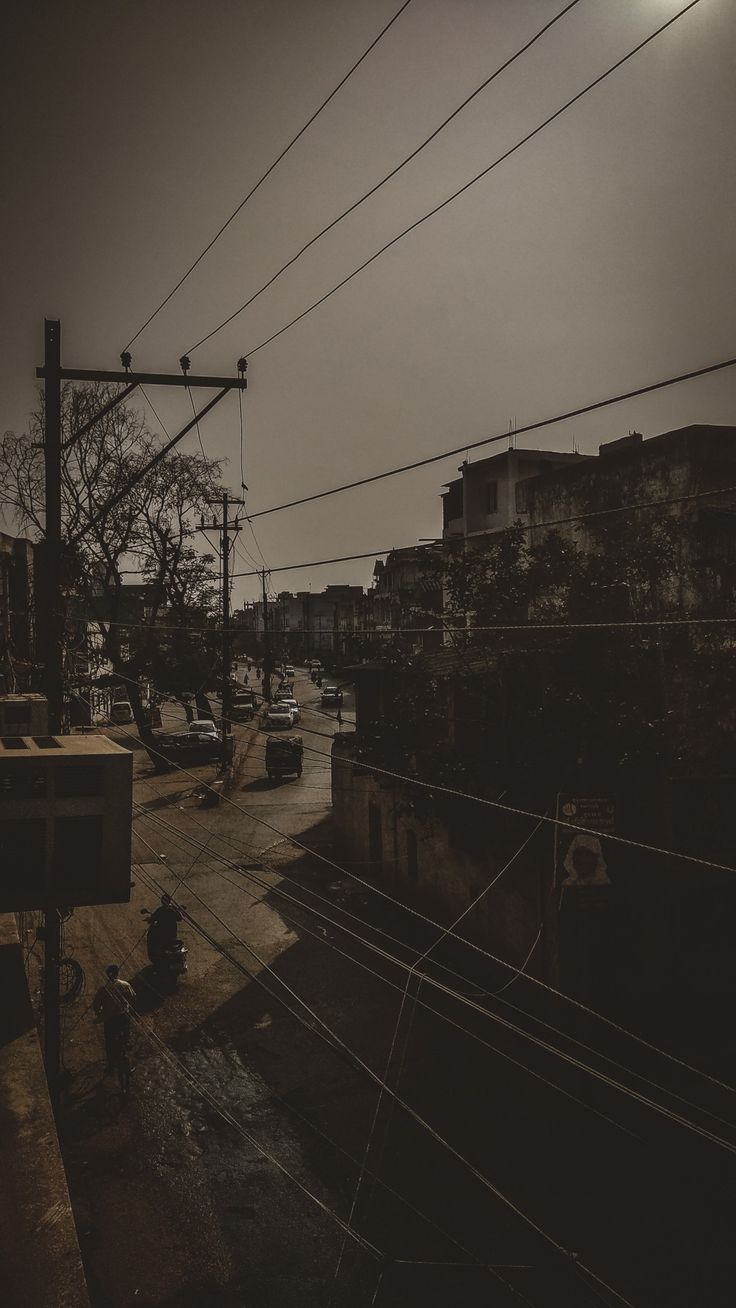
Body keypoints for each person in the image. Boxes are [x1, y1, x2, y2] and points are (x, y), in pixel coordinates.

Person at [93, 965, 135, 1074]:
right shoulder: (126, 985)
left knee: (109, 1042)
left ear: (108, 975)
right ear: (117, 973)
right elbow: (132, 997)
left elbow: (96, 1005)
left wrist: (98, 1012)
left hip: (110, 1020)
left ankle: (111, 1066)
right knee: (126, 1037)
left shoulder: (103, 989)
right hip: (123, 1017)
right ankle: (127, 1043)